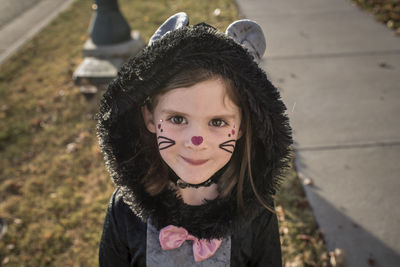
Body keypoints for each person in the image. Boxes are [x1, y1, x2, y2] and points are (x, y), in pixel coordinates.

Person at [97, 12, 292, 267]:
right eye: (177, 119)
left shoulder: (255, 212)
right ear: (149, 118)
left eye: (218, 122)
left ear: (243, 126)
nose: (196, 141)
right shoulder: (125, 210)